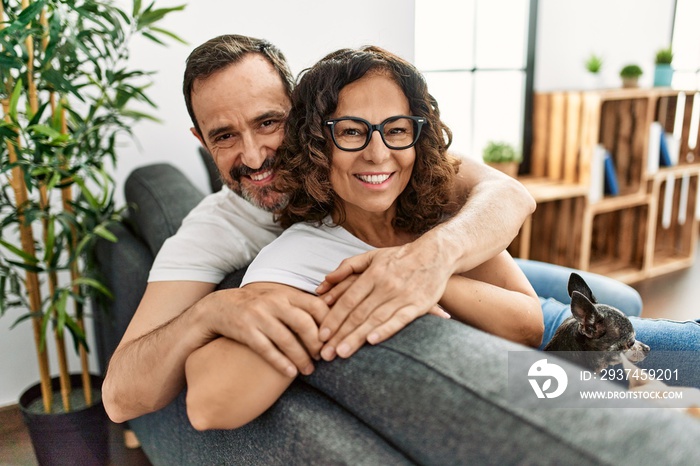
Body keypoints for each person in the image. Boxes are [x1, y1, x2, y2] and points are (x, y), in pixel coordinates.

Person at [182, 45, 700, 463]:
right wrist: (338, 302)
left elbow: (531, 321)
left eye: (396, 129)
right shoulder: (302, 254)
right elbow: (208, 406)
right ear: (317, 142)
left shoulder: (428, 210)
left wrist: (425, 270)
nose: (378, 152)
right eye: (352, 132)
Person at [102, 34, 538, 423]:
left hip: (491, 275)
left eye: (267, 122)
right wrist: (206, 313)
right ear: (202, 141)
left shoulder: (385, 161)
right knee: (586, 391)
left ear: (304, 113)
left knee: (594, 342)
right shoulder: (217, 233)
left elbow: (511, 198)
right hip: (493, 315)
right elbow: (122, 400)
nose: (253, 157)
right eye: (225, 136)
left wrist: (427, 261)